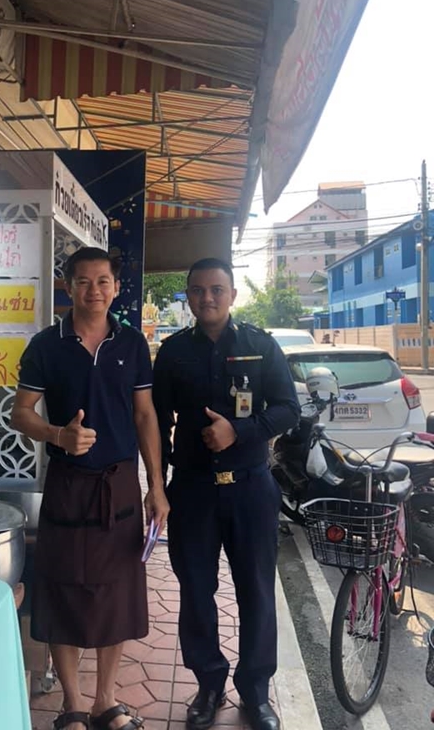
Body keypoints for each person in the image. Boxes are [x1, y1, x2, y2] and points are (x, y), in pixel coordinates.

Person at [11, 247, 169, 730]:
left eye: (103, 281)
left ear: (117, 288)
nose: (94, 290)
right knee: (62, 586)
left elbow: (145, 415)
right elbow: (21, 413)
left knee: (117, 590)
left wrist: (156, 486)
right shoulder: (45, 344)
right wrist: (58, 434)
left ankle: (105, 700)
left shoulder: (132, 345)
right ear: (68, 286)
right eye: (83, 281)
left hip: (119, 482)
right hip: (65, 483)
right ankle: (72, 705)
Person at [152, 258, 300, 730]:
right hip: (193, 491)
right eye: (197, 290)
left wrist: (240, 432)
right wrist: (156, 487)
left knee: (256, 591)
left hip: (251, 490)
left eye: (217, 289)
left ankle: (255, 693)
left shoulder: (261, 345)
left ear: (232, 294)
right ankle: (209, 684)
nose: (207, 298)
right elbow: (154, 421)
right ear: (188, 297)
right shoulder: (173, 353)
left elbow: (288, 410)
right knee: (197, 592)